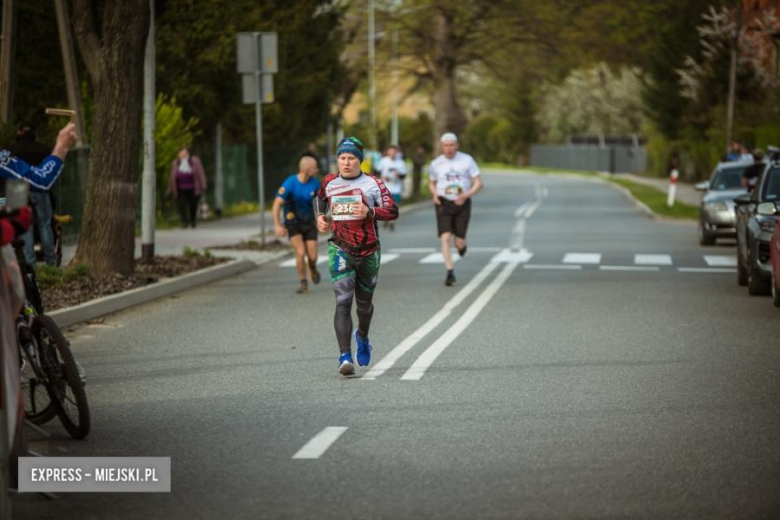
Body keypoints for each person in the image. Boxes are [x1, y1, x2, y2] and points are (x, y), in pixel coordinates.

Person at [316, 137, 398, 376]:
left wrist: (369, 211)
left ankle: (362, 336)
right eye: (342, 158)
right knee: (343, 301)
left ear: (359, 161)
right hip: (340, 249)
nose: (346, 162)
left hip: (369, 251)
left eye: (351, 158)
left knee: (363, 305)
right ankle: (344, 356)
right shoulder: (329, 182)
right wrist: (320, 218)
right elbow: (319, 199)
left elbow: (393, 210)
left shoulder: (374, 183)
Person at [429, 132, 483, 286]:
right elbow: (432, 182)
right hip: (443, 202)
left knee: (459, 242)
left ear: (457, 146)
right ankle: (449, 271)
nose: (449, 148)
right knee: (445, 237)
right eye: (446, 145)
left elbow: (478, 182)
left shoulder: (466, 160)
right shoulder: (436, 163)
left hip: (462, 202)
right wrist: (434, 194)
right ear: (442, 147)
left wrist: (466, 195)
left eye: (452, 145)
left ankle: (462, 246)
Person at [7, 124, 58, 267]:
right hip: (40, 189)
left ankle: (31, 265)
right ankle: (51, 263)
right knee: (45, 225)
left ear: (19, 133)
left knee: (26, 228)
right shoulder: (43, 149)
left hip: (19, 190)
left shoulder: (11, 150)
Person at [273, 155, 322, 294]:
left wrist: (322, 218)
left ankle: (312, 267)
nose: (317, 170)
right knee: (300, 251)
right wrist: (277, 225)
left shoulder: (315, 183)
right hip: (293, 221)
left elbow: (322, 202)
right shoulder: (290, 182)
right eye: (314, 168)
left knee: (312, 256)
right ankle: (303, 283)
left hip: (309, 222)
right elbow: (277, 204)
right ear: (307, 169)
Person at [1, 123, 76, 190]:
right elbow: (41, 179)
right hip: (36, 194)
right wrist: (62, 146)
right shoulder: (43, 148)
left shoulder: (11, 148)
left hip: (14, 195)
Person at [168, 147, 207, 228]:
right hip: (180, 189)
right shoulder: (175, 163)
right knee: (181, 205)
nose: (183, 154)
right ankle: (184, 222)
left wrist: (203, 185)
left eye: (184, 153)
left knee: (193, 205)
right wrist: (171, 188)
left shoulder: (195, 161)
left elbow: (200, 173)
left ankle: (192, 220)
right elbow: (172, 177)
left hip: (193, 188)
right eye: (181, 153)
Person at [377, 144, 406, 231]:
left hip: (396, 187)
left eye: (394, 152)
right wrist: (381, 178)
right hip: (385, 187)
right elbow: (377, 171)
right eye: (391, 152)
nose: (392, 154)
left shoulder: (400, 162)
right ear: (388, 153)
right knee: (385, 205)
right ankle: (388, 218)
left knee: (395, 206)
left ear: (396, 153)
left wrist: (399, 174)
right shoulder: (383, 161)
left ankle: (391, 222)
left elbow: (404, 175)